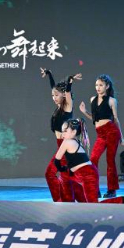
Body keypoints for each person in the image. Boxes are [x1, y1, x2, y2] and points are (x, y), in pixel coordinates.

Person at [53, 118, 124, 204]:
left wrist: (61, 169)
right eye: (62, 131)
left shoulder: (67, 142)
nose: (62, 134)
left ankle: (122, 200)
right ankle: (69, 201)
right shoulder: (76, 141)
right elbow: (75, 160)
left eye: (65, 131)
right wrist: (66, 169)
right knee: (64, 176)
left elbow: (56, 161)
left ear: (73, 132)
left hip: (87, 174)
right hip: (86, 172)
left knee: (93, 204)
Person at [79, 75, 124, 198]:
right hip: (100, 133)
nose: (98, 87)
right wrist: (84, 111)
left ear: (107, 86)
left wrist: (121, 137)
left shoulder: (112, 101)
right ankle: (95, 188)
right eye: (96, 85)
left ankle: (112, 189)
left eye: (101, 85)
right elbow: (95, 118)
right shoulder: (92, 99)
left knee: (110, 160)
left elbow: (115, 119)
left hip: (111, 132)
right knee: (93, 159)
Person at [41, 68, 81, 202]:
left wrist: (70, 80)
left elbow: (67, 92)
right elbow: (54, 87)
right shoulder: (59, 107)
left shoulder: (67, 106)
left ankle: (60, 201)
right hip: (61, 147)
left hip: (66, 147)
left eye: (56, 95)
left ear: (63, 95)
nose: (54, 98)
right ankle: (65, 200)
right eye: (52, 95)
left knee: (51, 174)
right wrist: (49, 73)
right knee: (67, 178)